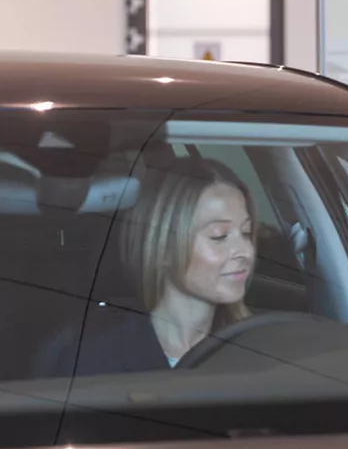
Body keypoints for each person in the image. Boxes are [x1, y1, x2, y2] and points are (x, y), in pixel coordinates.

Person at [37, 157, 257, 375]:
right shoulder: (93, 358)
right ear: (163, 248)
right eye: (219, 236)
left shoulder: (258, 351)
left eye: (246, 233)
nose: (245, 251)